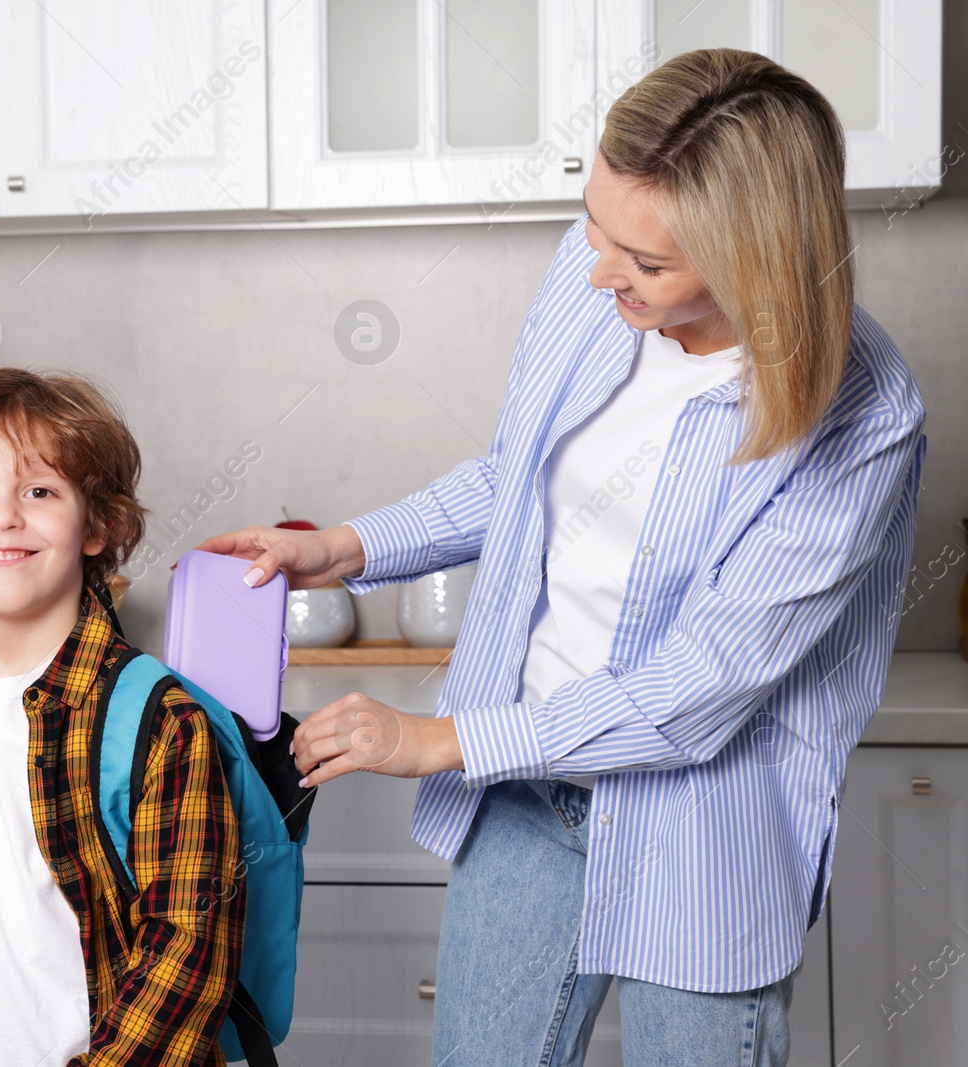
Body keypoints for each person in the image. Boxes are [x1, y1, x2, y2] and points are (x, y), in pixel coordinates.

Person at [198, 49, 925, 1066]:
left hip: (703, 829)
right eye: (595, 224)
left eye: (646, 262)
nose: (598, 270)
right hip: (528, 801)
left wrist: (439, 740)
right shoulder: (597, 278)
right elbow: (518, 476)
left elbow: (695, 686)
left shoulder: (860, 411)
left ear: (756, 256)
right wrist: (348, 546)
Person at [0, 368, 244, 1066]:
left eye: (40, 491)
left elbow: (188, 947)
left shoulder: (159, 720)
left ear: (97, 525)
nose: (3, 516)